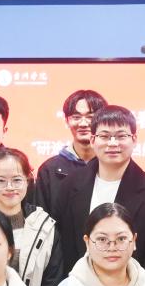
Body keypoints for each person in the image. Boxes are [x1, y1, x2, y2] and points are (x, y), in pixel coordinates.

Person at [55, 105, 145, 281]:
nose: (112, 143)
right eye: (104, 136)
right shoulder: (70, 185)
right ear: (93, 140)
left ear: (134, 139)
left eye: (121, 136)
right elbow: (61, 245)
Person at [0, 148, 62, 286]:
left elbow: (51, 283)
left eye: (17, 180)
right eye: (1, 181)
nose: (9, 187)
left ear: (27, 180)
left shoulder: (45, 227)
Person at [34, 89, 107, 219]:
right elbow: (41, 220)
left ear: (102, 120)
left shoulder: (112, 166)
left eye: (90, 117)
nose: (83, 123)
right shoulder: (49, 169)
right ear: (67, 120)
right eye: (76, 117)